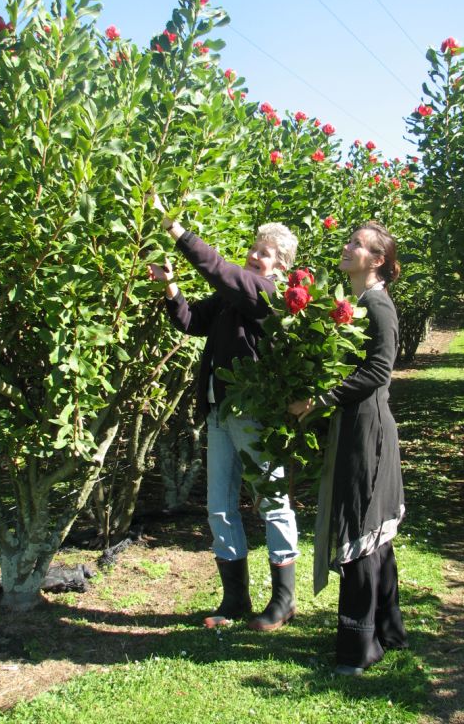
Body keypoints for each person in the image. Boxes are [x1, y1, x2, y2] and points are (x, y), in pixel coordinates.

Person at [148, 195, 299, 631]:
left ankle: (283, 600)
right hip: (219, 412)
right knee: (219, 506)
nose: (254, 255)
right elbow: (192, 322)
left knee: (271, 502)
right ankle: (235, 600)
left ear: (281, 268)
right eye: (254, 248)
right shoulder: (234, 297)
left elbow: (220, 270)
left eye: (264, 253)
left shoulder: (268, 295)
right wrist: (171, 287)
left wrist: (177, 231)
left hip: (253, 413)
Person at [289, 221, 407, 675]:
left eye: (358, 244)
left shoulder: (377, 305)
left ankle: (356, 650)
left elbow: (380, 370)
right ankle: (387, 632)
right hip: (356, 426)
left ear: (377, 260)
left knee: (360, 531)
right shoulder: (358, 303)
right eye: (350, 240)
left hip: (367, 433)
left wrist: (318, 401)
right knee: (375, 534)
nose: (348, 246)